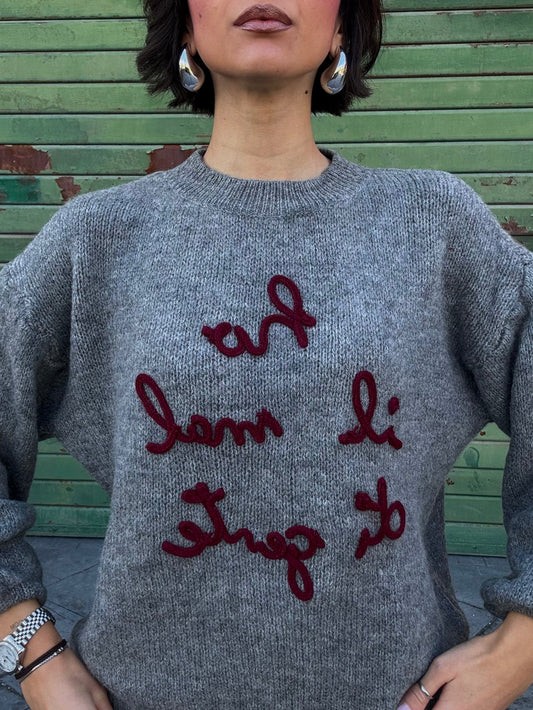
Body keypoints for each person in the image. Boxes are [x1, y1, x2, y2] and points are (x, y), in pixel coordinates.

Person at [0, 0, 532, 708]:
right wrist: (27, 645)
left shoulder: (431, 223)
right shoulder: (96, 237)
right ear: (184, 26)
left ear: (342, 26)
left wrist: (523, 643)